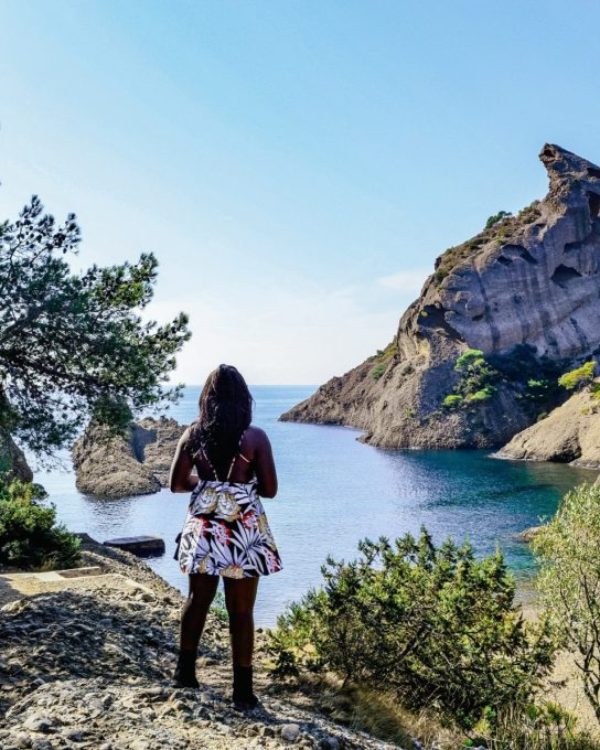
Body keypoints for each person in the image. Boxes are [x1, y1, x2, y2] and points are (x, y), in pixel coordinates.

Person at [169, 364, 282, 710]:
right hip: (242, 530)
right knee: (242, 611)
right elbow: (270, 489)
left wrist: (205, 487)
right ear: (243, 399)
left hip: (203, 527)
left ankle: (184, 675)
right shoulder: (255, 438)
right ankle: (243, 693)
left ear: (208, 398)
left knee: (196, 600)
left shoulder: (192, 436)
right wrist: (239, 487)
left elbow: (176, 483)